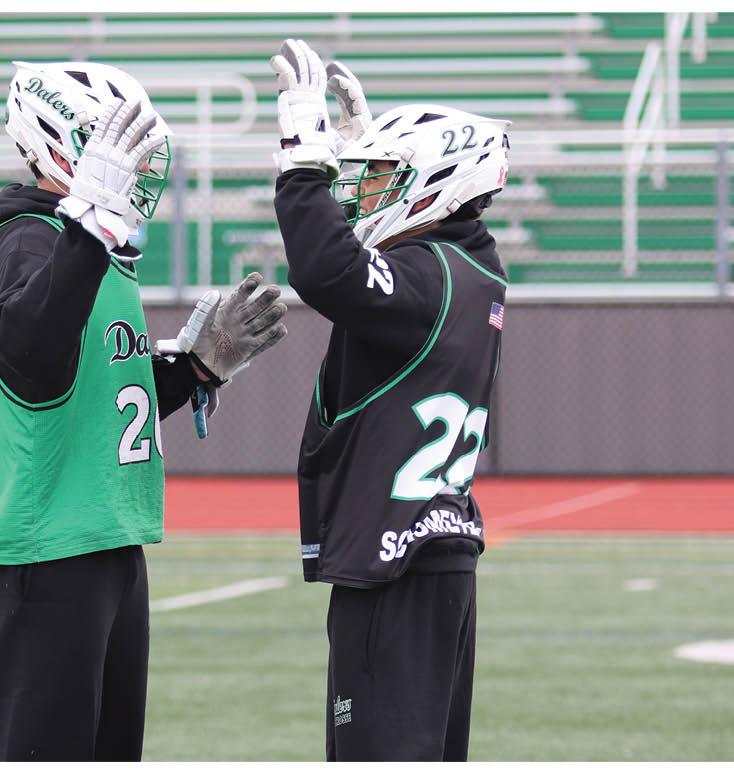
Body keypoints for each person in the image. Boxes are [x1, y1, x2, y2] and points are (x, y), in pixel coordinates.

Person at [0, 60, 287, 762]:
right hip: (41, 546)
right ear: (59, 142)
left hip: (100, 537)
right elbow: (32, 357)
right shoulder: (24, 238)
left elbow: (95, 398)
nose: (136, 169)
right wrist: (87, 230)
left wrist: (193, 368)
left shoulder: (88, 250)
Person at [269, 39, 510, 761]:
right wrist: (364, 151)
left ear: (436, 185)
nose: (360, 191)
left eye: (379, 179)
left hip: (394, 563)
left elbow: (325, 270)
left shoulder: (425, 276)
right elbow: (374, 260)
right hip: (441, 558)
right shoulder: (474, 268)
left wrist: (304, 157)